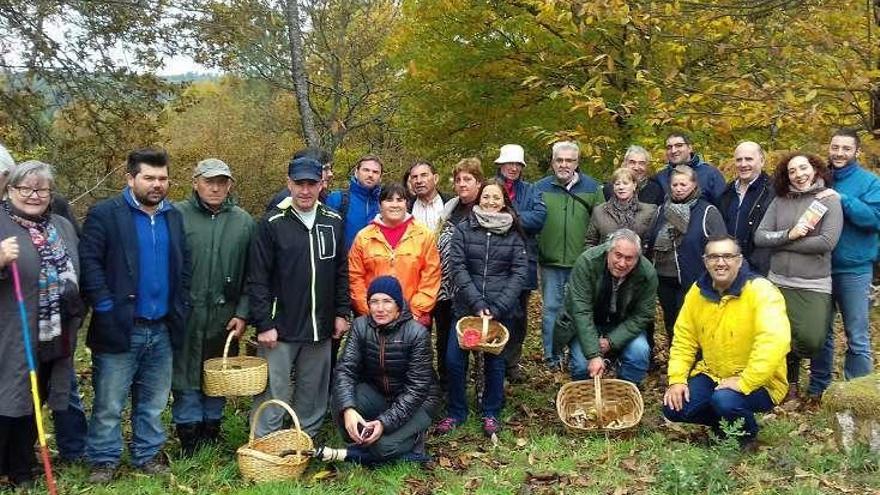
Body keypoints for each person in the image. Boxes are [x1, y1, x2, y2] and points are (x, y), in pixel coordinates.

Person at [80, 148, 191, 482]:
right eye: (149, 177)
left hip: (162, 327)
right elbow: (89, 263)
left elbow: (184, 266)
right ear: (130, 178)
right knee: (110, 402)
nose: (157, 184)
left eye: (162, 178)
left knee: (154, 401)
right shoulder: (106, 214)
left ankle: (147, 454)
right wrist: (104, 306)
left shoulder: (173, 215)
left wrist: (181, 304)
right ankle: (103, 459)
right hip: (120, 325)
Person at [247, 157, 350, 440]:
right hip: (280, 326)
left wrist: (341, 312)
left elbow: (342, 270)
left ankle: (304, 440)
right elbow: (257, 278)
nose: (305, 191)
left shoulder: (333, 221)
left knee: (313, 387)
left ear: (322, 185)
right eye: (299, 184)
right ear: (289, 183)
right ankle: (264, 440)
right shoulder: (271, 223)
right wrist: (264, 322)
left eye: (311, 184)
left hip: (321, 324)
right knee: (274, 386)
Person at [0, 145, 87, 464]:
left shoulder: (61, 227)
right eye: (26, 188)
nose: (34, 195)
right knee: (9, 396)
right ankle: (8, 465)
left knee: (39, 396)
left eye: (42, 189)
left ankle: (24, 464)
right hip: (11, 329)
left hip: (53, 332)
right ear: (10, 190)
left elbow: (79, 270)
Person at [662, 235, 790, 449]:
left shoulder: (761, 291)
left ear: (739, 261)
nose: (720, 262)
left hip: (760, 381)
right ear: (705, 261)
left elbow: (773, 342)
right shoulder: (698, 291)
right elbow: (684, 338)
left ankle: (747, 437)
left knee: (725, 400)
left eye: (727, 256)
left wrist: (745, 381)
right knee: (673, 407)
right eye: (714, 257)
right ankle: (724, 425)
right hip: (713, 373)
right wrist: (677, 379)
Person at [172, 159, 256, 454]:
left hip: (224, 316)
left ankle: (212, 429)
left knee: (217, 374)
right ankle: (188, 434)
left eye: (222, 181)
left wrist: (243, 313)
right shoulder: (176, 215)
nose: (216, 187)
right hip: (186, 313)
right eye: (209, 181)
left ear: (230, 185)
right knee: (185, 374)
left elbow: (252, 274)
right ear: (195, 182)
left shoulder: (243, 221)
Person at [435, 181, 528, 436]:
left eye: (495, 197)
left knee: (495, 362)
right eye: (486, 196)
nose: (490, 201)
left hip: (501, 311)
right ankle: (456, 411)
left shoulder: (514, 234)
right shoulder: (464, 229)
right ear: (479, 199)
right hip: (466, 308)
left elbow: (519, 273)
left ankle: (491, 412)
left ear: (504, 201)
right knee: (454, 360)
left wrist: (497, 307)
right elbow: (458, 267)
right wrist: (476, 303)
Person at [321, 276, 440, 465]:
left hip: (418, 403)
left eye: (387, 301)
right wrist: (348, 409)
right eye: (374, 302)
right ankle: (366, 438)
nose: (380, 308)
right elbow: (345, 370)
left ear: (398, 305)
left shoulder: (417, 333)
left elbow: (417, 390)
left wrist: (384, 423)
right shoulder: (360, 326)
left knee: (383, 447)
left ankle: (413, 440)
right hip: (379, 394)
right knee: (341, 399)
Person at [754, 152, 842, 401]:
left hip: (813, 283)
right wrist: (789, 235)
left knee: (813, 339)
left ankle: (813, 380)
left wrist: (784, 242)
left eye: (803, 168)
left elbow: (826, 242)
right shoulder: (780, 200)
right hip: (778, 281)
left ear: (814, 169)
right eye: (792, 171)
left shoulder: (829, 200)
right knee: (779, 335)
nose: (799, 174)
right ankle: (787, 383)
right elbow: (760, 237)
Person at [808, 129, 880, 397]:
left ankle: (859, 393)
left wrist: (843, 200)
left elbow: (874, 219)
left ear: (857, 152)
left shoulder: (869, 182)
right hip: (818, 269)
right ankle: (819, 389)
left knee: (857, 336)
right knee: (820, 333)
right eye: (835, 147)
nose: (839, 153)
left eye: (846, 149)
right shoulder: (819, 178)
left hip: (854, 269)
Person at [553, 229, 655, 383]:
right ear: (609, 251)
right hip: (587, 323)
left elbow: (643, 314)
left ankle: (627, 392)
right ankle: (585, 397)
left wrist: (611, 341)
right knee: (582, 364)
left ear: (637, 258)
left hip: (623, 324)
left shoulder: (647, 274)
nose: (622, 263)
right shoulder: (587, 262)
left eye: (629, 258)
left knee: (639, 352)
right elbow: (581, 310)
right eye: (618, 255)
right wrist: (594, 354)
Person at [533, 141, 603, 366]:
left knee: (580, 310)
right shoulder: (539, 188)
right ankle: (551, 357)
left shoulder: (593, 188)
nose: (564, 164)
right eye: (559, 160)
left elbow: (601, 224)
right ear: (553, 162)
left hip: (581, 263)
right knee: (551, 309)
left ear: (577, 162)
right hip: (550, 261)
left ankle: (578, 356)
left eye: (569, 160)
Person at [646, 165, 726, 342]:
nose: (678, 189)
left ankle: (698, 364)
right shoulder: (662, 210)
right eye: (674, 185)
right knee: (671, 323)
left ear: (694, 185)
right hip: (663, 278)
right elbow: (651, 241)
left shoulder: (707, 211)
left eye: (683, 184)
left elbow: (721, 246)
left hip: (694, 280)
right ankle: (677, 362)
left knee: (692, 326)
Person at [349, 183, 441, 327]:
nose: (394, 204)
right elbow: (355, 277)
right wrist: (370, 310)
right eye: (389, 200)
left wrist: (415, 311)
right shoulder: (364, 237)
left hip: (413, 319)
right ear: (380, 205)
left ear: (406, 204)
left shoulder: (424, 235)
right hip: (374, 319)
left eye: (400, 200)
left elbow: (431, 276)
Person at [493, 144, 546, 381]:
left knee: (519, 315)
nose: (513, 168)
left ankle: (512, 362)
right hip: (494, 261)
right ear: (500, 165)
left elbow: (539, 218)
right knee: (495, 312)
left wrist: (508, 217)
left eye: (517, 164)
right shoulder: (490, 187)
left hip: (523, 261)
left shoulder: (531, 190)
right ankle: (492, 360)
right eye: (509, 164)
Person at [434, 158, 484, 387]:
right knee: (446, 336)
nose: (462, 184)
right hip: (445, 285)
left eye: (468, 179)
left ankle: (482, 387)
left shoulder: (485, 209)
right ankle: (449, 384)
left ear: (479, 182)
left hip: (473, 285)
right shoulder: (450, 207)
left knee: (476, 337)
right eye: (458, 180)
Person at [719, 141, 774, 276]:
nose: (743, 164)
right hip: (729, 268)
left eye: (749, 159)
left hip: (760, 270)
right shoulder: (727, 192)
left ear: (761, 161)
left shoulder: (773, 192)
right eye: (739, 160)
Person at [585, 167, 657, 248]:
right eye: (617, 184)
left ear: (634, 185)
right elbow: (590, 242)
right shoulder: (599, 211)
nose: (621, 187)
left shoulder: (649, 211)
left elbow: (652, 243)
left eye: (625, 183)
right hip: (607, 259)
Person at [325, 154, 383, 251]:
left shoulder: (384, 204)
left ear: (380, 177)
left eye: (375, 172)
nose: (370, 175)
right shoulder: (338, 199)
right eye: (366, 170)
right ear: (356, 172)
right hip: (344, 263)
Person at [654, 132, 726, 206]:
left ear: (689, 148)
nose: (673, 151)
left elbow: (723, 207)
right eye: (669, 147)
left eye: (679, 145)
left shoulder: (710, 174)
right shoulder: (661, 177)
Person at [264, 147, 334, 211]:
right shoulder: (284, 202)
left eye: (330, 169)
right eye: (325, 169)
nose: (331, 174)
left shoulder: (326, 197)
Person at [406, 161, 449, 231]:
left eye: (424, 175)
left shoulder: (451, 204)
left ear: (435, 179)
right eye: (414, 177)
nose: (419, 181)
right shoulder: (406, 207)